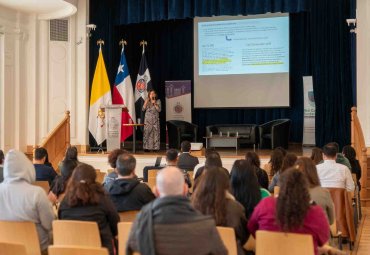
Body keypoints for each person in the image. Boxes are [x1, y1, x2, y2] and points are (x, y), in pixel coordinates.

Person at [127, 167, 227, 255]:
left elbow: (130, 248)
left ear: (156, 191)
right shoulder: (206, 225)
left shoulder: (142, 221)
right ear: (185, 190)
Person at [248, 168, 330, 255]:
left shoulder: (265, 204)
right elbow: (323, 240)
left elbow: (252, 229)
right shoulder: (316, 213)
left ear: (281, 186)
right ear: (306, 188)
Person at [0, 150, 54, 253]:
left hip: (5, 248)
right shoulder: (37, 193)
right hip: (37, 248)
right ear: (27, 167)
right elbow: (50, 224)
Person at [58, 163, 120, 255]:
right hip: (101, 250)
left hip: (72, 250)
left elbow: (62, 222)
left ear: (73, 179)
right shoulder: (102, 199)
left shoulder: (65, 202)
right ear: (94, 179)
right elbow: (115, 224)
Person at [192, 166, 248, 255]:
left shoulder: (192, 207)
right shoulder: (235, 207)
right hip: (230, 251)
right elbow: (244, 236)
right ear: (226, 185)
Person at [295, 157, 334, 225]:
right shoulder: (323, 192)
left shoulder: (286, 193)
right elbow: (331, 221)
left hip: (294, 234)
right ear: (314, 172)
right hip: (318, 233)